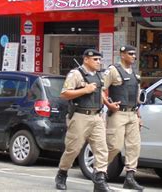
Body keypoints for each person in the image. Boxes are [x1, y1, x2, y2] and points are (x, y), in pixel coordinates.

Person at [55, 49, 112, 192]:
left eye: (99, 60)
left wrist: (108, 103)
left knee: (102, 149)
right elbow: (64, 94)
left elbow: (101, 93)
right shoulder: (76, 74)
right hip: (80, 116)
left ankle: (99, 180)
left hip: (97, 116)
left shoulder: (99, 75)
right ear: (86, 59)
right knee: (73, 149)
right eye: (95, 60)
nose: (98, 62)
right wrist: (84, 90)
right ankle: (62, 173)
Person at [102, 45, 144, 190]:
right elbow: (99, 89)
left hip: (132, 113)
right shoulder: (113, 70)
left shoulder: (135, 73)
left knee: (134, 147)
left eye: (134, 54)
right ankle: (99, 172)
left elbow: (136, 96)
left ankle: (130, 177)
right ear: (122, 54)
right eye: (130, 54)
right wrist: (109, 105)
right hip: (118, 113)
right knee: (114, 146)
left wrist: (138, 115)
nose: (133, 56)